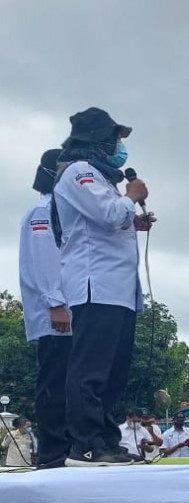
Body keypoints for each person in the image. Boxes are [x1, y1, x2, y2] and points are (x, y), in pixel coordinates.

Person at [55, 108, 153, 466]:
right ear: (96, 139)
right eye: (115, 139)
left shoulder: (101, 177)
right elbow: (109, 214)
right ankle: (86, 445)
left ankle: (105, 440)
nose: (119, 147)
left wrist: (134, 217)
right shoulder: (78, 172)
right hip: (96, 286)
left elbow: (109, 220)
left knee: (114, 372)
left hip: (119, 291)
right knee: (91, 370)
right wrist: (132, 196)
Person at [19, 148, 73, 468]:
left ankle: (68, 448)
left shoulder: (61, 210)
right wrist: (56, 303)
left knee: (68, 383)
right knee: (55, 382)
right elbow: (45, 260)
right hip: (55, 314)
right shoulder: (44, 210)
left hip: (67, 312)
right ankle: (54, 452)